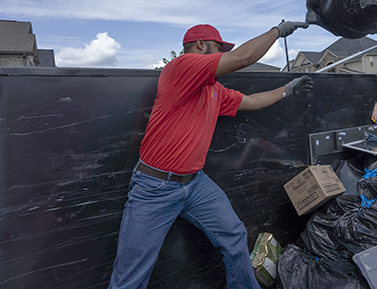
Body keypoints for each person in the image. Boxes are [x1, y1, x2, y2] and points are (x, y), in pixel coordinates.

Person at [108, 21, 312, 289]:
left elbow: (249, 102)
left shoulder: (213, 89)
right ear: (200, 45)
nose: (220, 55)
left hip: (195, 184)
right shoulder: (180, 68)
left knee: (235, 235)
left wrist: (288, 89)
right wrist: (278, 31)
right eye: (217, 48)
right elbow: (242, 58)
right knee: (129, 279)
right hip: (155, 187)